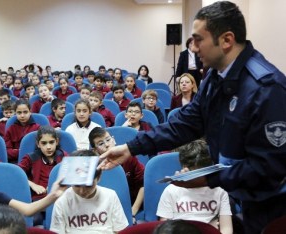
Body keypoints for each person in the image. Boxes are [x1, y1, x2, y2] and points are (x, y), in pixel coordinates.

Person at [98, 2, 286, 233]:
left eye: (199, 39)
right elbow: (186, 123)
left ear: (226, 40)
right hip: (243, 196)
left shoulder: (266, 88)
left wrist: (208, 179)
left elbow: (269, 167)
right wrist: (131, 147)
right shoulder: (215, 77)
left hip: (272, 206)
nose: (193, 48)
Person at [157, 140, 232, 234]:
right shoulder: (171, 191)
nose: (199, 178)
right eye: (196, 173)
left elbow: (226, 229)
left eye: (203, 172)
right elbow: (164, 228)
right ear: (184, 167)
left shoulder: (219, 191)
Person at [50, 149, 129, 233]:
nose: (82, 191)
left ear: (98, 178)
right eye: (77, 185)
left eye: (88, 186)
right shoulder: (62, 201)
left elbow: (120, 230)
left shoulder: (110, 196)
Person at [89, 127, 144, 223]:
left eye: (108, 140)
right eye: (101, 143)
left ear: (113, 139)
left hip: (131, 204)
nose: (106, 145)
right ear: (95, 150)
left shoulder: (129, 158)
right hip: (103, 211)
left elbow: (143, 184)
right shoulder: (94, 167)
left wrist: (132, 211)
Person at [18, 126, 67, 225]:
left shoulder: (64, 157)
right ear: (38, 144)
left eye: (51, 142)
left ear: (57, 141)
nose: (48, 147)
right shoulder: (30, 158)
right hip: (39, 202)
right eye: (44, 143)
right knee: (34, 221)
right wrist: (33, 185)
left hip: (60, 199)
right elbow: (17, 174)